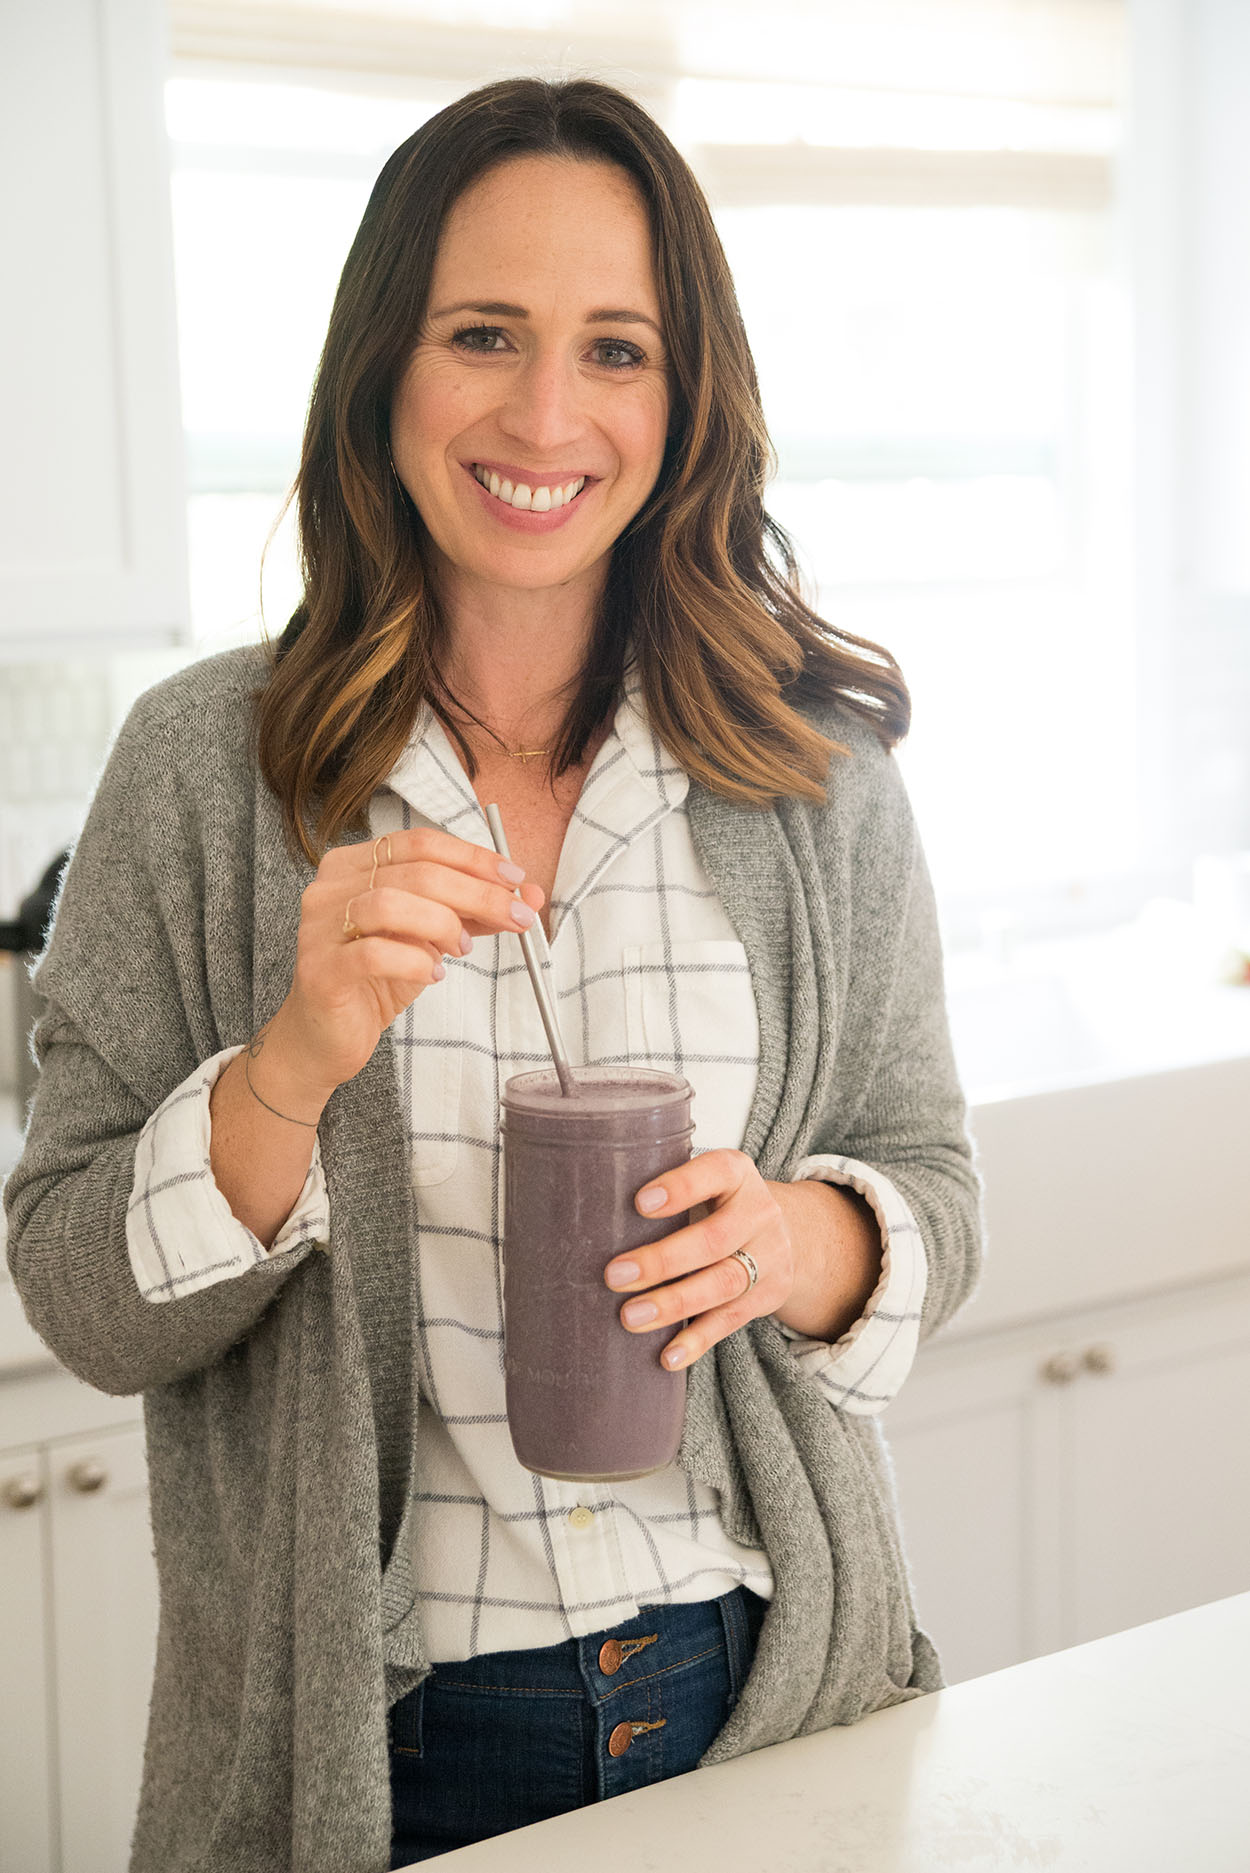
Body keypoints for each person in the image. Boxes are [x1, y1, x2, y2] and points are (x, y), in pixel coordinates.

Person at [3, 76, 984, 1873]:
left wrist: (795, 1239)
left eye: (617, 348)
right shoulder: (201, 768)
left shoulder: (808, 768)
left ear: (685, 401)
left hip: (768, 1686)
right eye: (483, 334)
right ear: (383, 364)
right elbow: (81, 1293)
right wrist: (285, 1068)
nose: (548, 412)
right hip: (379, 1742)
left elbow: (928, 1185)